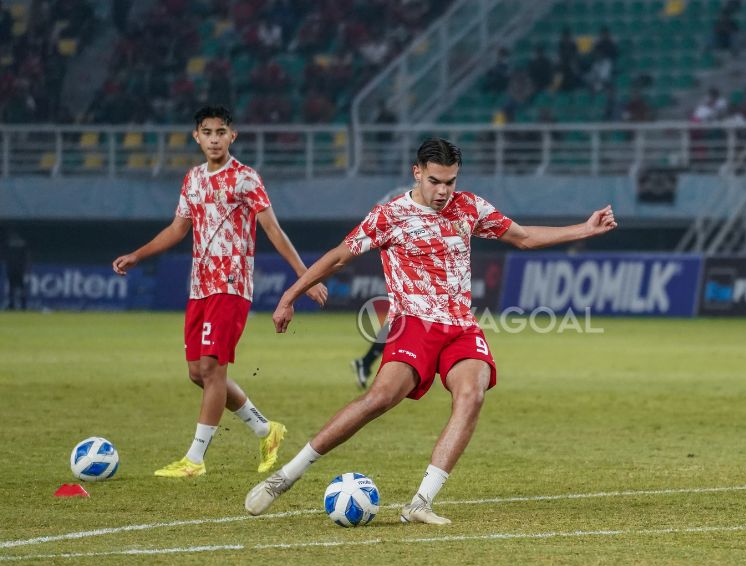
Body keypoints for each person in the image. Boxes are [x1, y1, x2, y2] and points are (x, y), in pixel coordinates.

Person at [245, 138, 617, 523]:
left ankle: (420, 502)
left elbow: (522, 237)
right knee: (379, 399)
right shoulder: (390, 216)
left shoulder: (469, 206)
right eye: (436, 181)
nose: (443, 191)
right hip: (413, 325)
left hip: (460, 326)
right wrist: (291, 295)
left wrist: (584, 230)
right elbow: (340, 255)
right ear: (417, 172)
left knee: (472, 395)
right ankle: (285, 477)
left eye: (450, 182)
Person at [112, 105, 327, 478]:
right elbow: (178, 229)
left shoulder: (245, 179)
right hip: (199, 287)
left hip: (231, 286)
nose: (214, 138)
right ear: (196, 137)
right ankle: (266, 429)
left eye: (221, 131)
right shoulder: (192, 179)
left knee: (212, 369)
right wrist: (138, 254)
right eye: (207, 132)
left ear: (233, 136)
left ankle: (194, 460)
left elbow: (273, 230)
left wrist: (304, 278)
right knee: (197, 373)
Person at [3, 230, 30, 310]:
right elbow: (27, 256)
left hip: (13, 269)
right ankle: (21, 305)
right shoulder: (22, 244)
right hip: (19, 269)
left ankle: (15, 304)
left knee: (14, 287)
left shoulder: (9, 244)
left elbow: (5, 256)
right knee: (19, 287)